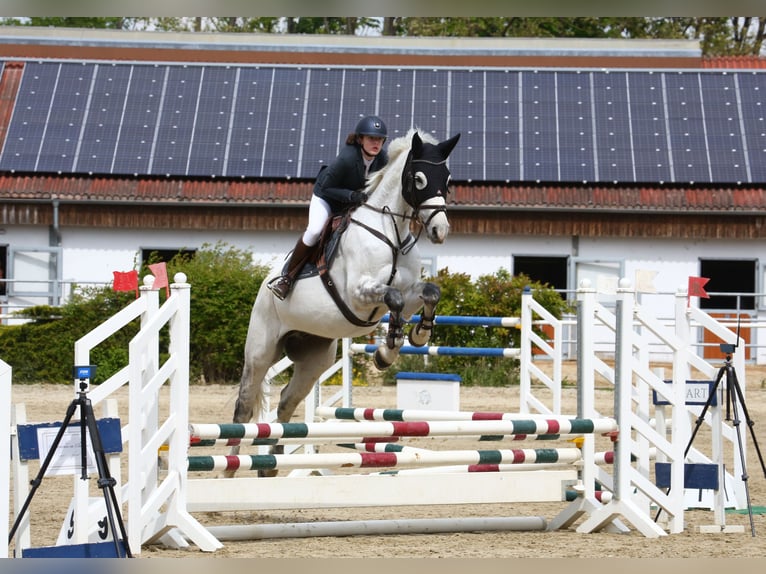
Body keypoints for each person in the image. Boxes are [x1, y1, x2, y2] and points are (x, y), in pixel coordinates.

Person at [267, 115, 389, 300]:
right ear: (360, 139)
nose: (376, 143)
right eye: (371, 138)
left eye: (380, 139)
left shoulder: (382, 159)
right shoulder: (347, 158)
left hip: (351, 203)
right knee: (315, 230)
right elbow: (327, 187)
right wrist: (351, 195)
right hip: (326, 197)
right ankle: (287, 278)